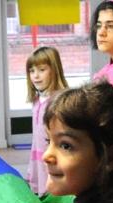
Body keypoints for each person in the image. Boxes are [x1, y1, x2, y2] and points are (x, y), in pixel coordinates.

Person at [25, 46, 68, 195]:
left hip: (53, 159)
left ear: (54, 70)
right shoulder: (37, 101)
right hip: (38, 159)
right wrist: (31, 170)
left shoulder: (60, 101)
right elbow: (35, 140)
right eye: (32, 71)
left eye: (42, 70)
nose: (36, 76)